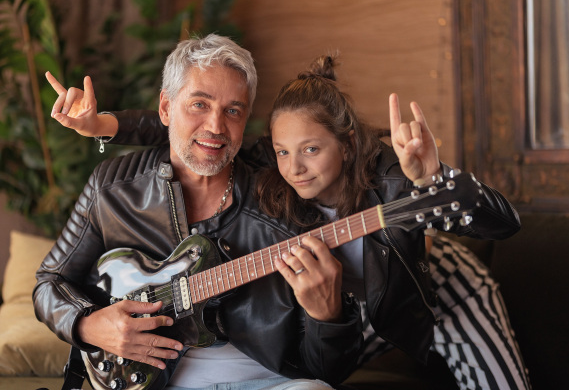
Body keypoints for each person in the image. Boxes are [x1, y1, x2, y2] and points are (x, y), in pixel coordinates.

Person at [47, 52, 531, 389]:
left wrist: (430, 177)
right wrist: (102, 126)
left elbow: (501, 222)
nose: (295, 167)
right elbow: (190, 127)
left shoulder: (386, 174)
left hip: (427, 286)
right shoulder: (264, 164)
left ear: (346, 142)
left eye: (312, 150)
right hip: (354, 307)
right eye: (283, 151)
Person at [34, 35, 365, 390]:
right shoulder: (112, 188)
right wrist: (88, 324)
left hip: (269, 381)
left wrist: (328, 316)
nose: (216, 127)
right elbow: (49, 283)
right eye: (199, 105)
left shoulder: (282, 194)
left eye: (233, 111)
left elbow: (329, 368)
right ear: (165, 108)